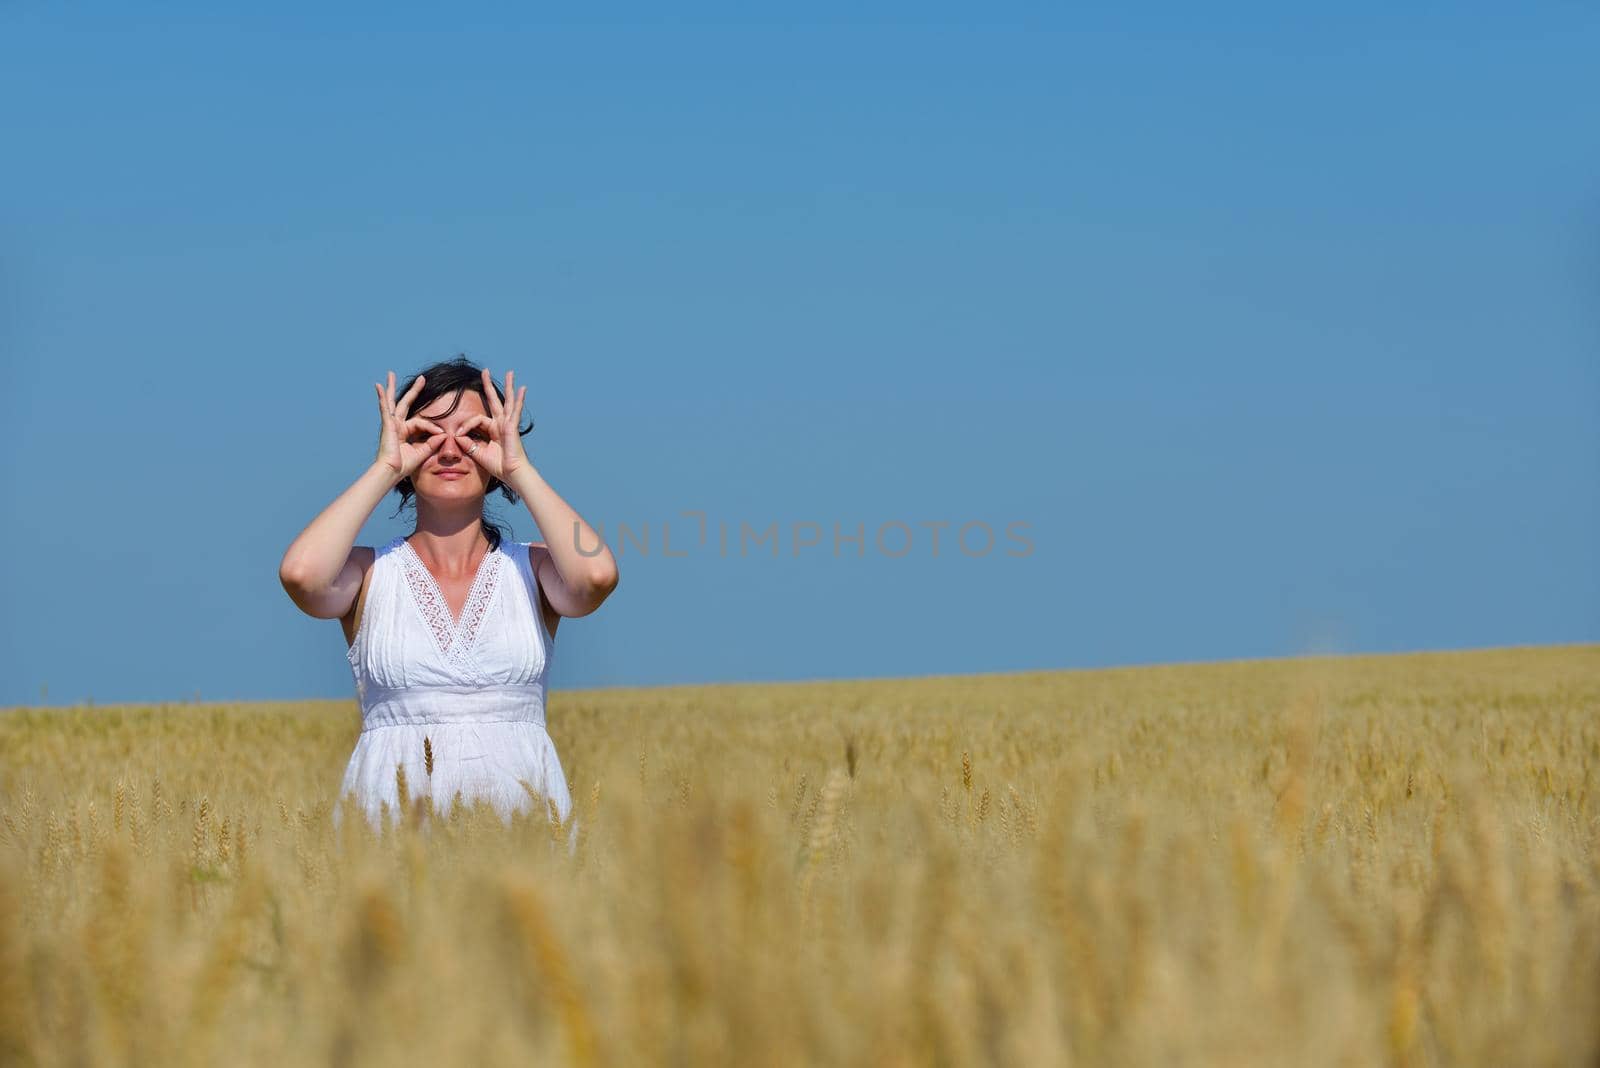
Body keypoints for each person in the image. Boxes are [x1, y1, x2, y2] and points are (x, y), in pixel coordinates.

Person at [278, 355, 618, 848]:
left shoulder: (536, 568)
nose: (450, 449)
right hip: (390, 837)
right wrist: (385, 467)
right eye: (427, 435)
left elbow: (596, 574)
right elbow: (301, 574)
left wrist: (519, 470)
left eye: (474, 435)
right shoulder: (368, 573)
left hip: (521, 840)